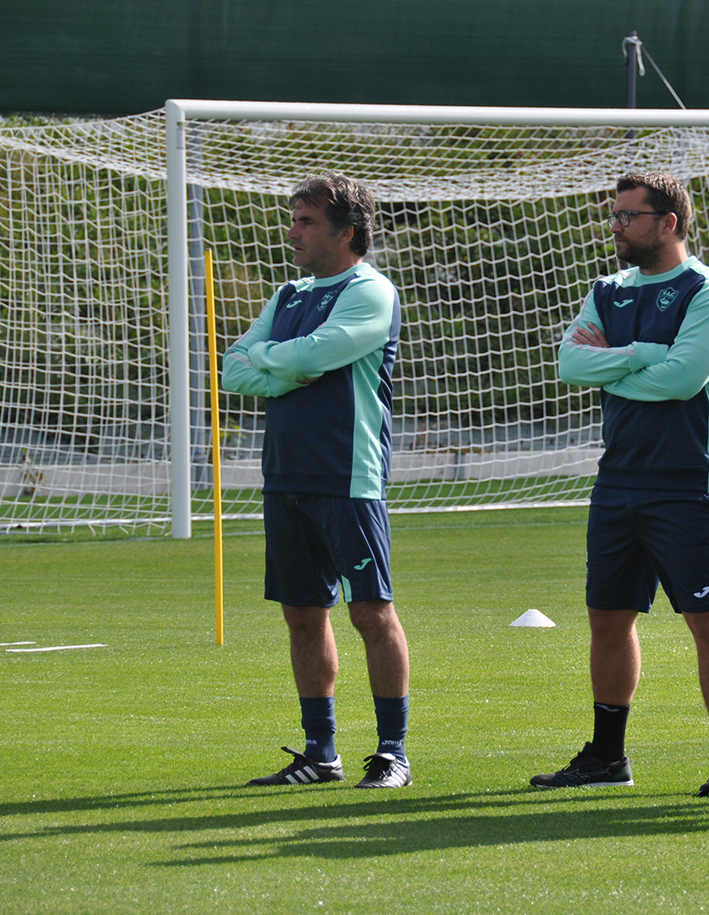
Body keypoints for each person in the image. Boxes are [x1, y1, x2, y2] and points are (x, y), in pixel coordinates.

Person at [530, 172, 709, 797]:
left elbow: (685, 380)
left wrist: (619, 359)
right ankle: (606, 757)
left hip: (688, 485)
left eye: (629, 215)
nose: (616, 226)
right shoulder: (608, 291)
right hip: (619, 483)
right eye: (616, 214)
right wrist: (642, 354)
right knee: (607, 619)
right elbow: (571, 363)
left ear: (669, 222)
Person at [221, 172, 413, 790]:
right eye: (294, 218)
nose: (293, 231)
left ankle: (391, 754)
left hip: (347, 475)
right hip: (284, 476)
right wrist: (288, 368)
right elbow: (233, 369)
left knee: (371, 612)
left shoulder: (370, 291)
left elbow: (302, 358)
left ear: (345, 232)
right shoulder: (288, 295)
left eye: (306, 221)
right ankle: (320, 753)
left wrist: (281, 362)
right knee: (303, 615)